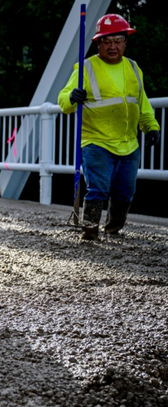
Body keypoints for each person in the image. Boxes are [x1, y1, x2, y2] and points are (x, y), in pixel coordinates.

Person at [58, 14, 160, 240]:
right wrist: (73, 97)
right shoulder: (86, 68)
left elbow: (141, 102)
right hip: (96, 141)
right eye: (107, 41)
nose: (113, 46)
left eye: (118, 40)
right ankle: (90, 230)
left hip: (128, 143)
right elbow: (63, 101)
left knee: (125, 192)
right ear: (98, 43)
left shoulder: (133, 67)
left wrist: (151, 126)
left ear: (125, 42)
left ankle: (113, 229)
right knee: (98, 189)